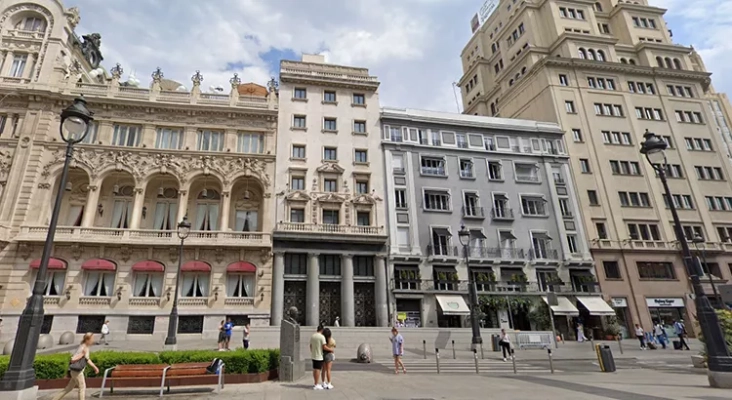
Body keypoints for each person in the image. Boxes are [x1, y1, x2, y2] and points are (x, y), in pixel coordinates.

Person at [51, 332, 100, 400]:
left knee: (68, 388)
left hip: (75, 371)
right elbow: (73, 359)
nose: (93, 340)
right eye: (92, 339)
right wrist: (82, 354)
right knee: (82, 387)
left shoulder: (85, 347)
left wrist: (95, 367)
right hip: (77, 372)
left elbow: (87, 359)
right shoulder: (83, 347)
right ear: (87, 339)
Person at [309, 325, 332, 390]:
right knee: (318, 370)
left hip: (313, 355)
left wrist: (313, 352)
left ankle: (315, 383)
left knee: (314, 369)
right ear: (322, 330)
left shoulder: (313, 336)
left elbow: (310, 346)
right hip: (319, 356)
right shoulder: (322, 337)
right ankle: (316, 384)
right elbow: (324, 347)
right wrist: (330, 350)